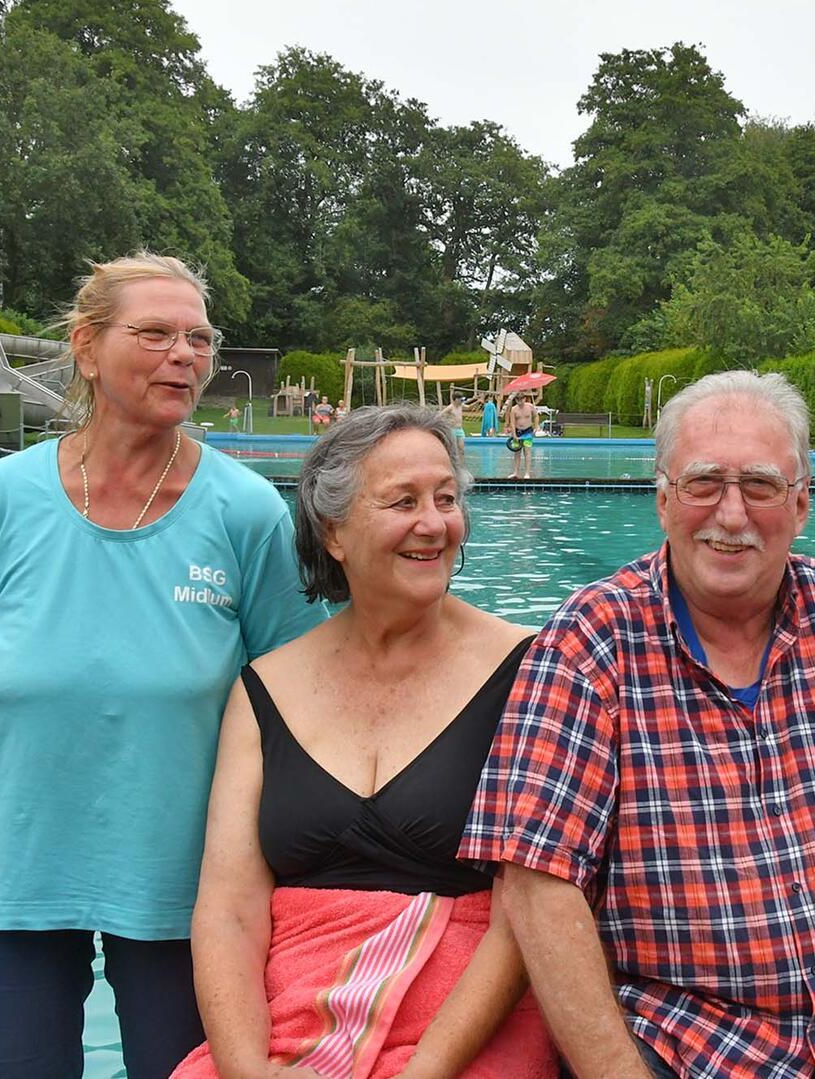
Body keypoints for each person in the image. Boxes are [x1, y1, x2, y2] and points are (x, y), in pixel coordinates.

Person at [460, 371, 815, 1079]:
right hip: (687, 1047)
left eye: (759, 485)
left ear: (803, 502)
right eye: (702, 484)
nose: (730, 514)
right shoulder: (589, 641)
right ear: (662, 500)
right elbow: (539, 885)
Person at [0, 252, 327, 1078]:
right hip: (14, 864)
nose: (186, 355)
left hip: (189, 882)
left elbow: (296, 690)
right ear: (87, 347)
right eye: (156, 334)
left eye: (199, 338)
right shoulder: (0, 497)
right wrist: (40, 749)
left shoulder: (244, 511)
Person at [174, 405, 555, 1079]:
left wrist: (424, 1071)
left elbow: (528, 906)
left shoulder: (529, 670)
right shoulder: (265, 690)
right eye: (402, 501)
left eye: (446, 498)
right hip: (294, 1021)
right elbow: (230, 907)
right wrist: (246, 1069)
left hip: (467, 1031)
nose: (434, 523)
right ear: (334, 531)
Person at [504, 393, 537, 479]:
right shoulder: (514, 409)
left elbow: (536, 416)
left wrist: (536, 427)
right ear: (516, 400)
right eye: (518, 400)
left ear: (524, 399)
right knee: (517, 453)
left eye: (521, 400)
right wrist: (514, 434)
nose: (520, 402)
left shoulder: (530, 407)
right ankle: (516, 472)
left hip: (528, 432)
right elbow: (512, 422)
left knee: (527, 451)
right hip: (518, 432)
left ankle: (527, 473)